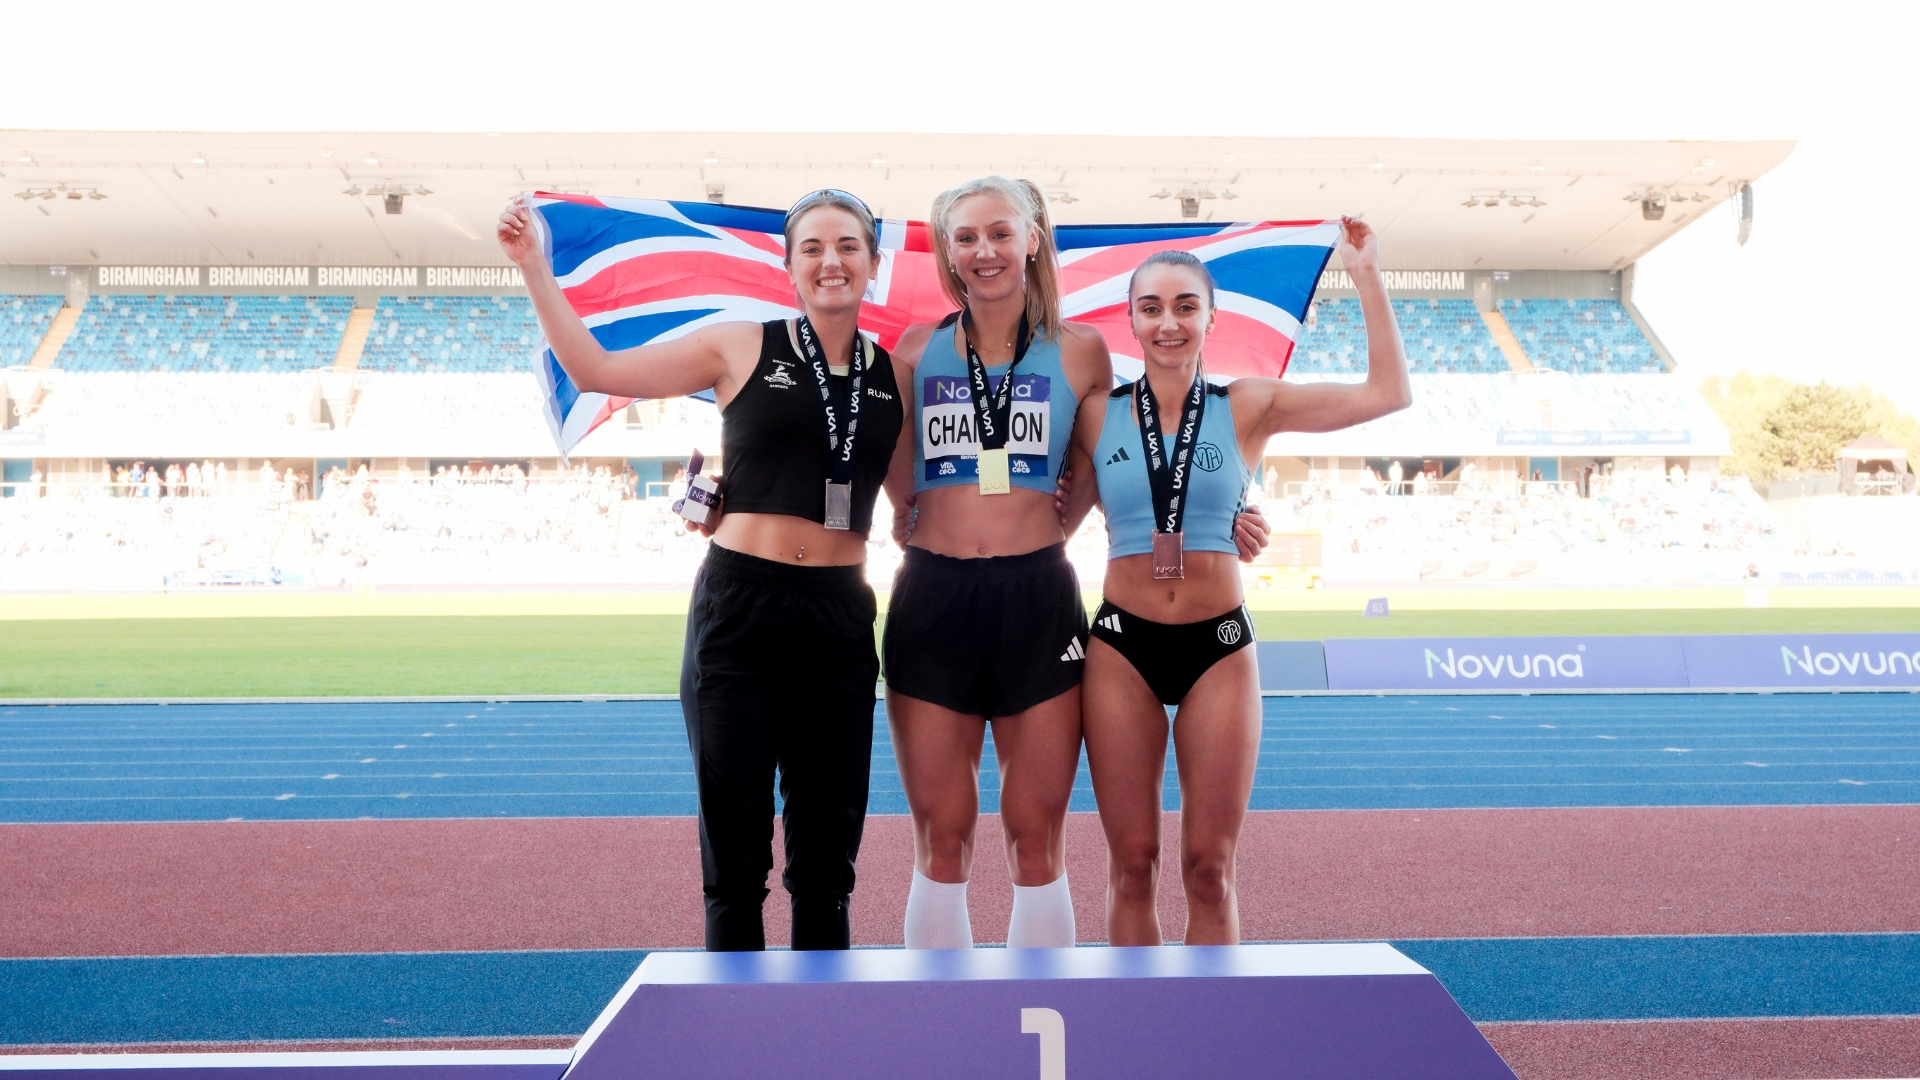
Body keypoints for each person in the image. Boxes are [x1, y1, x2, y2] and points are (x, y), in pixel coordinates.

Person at [499, 188, 908, 952]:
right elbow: (594, 367)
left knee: (826, 864)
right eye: (813, 248)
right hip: (741, 612)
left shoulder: (898, 373)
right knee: (736, 856)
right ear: (789, 267)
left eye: (849, 246)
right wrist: (534, 269)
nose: (831, 261)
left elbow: (921, 495)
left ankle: (822, 1044)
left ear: (873, 264)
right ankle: (742, 1047)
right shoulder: (739, 345)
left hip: (839, 615)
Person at [882, 177, 1271, 950]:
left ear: (1033, 239)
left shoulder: (1083, 351)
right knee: (943, 838)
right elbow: (892, 456)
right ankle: (942, 1040)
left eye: (1000, 232)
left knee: (1036, 841)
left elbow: (1146, 453)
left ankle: (1042, 1050)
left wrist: (1229, 512)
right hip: (934, 595)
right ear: (947, 252)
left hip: (1037, 596)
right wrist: (902, 509)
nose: (984, 250)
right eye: (965, 237)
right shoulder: (916, 350)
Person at [1077, 221, 1410, 946]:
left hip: (1219, 648)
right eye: (1152, 307)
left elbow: (1387, 393)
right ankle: (1138, 1041)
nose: (1169, 322)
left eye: (1186, 306)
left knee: (1209, 867)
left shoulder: (1249, 405)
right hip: (1120, 648)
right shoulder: (1093, 413)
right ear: (1129, 319)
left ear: (1211, 316)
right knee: (1132, 865)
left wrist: (1366, 277)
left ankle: (1206, 1043)